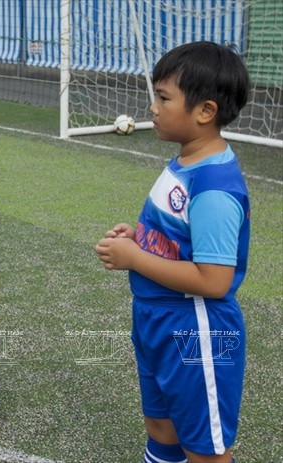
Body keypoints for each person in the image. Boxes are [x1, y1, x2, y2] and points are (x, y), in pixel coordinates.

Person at [95, 41, 250, 463]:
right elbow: (177, 235)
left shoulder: (214, 188)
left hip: (194, 329)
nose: (153, 107)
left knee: (203, 448)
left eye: (164, 98)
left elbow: (214, 281)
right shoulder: (185, 161)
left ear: (205, 111)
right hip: (157, 319)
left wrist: (133, 257)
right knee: (161, 426)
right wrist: (140, 234)